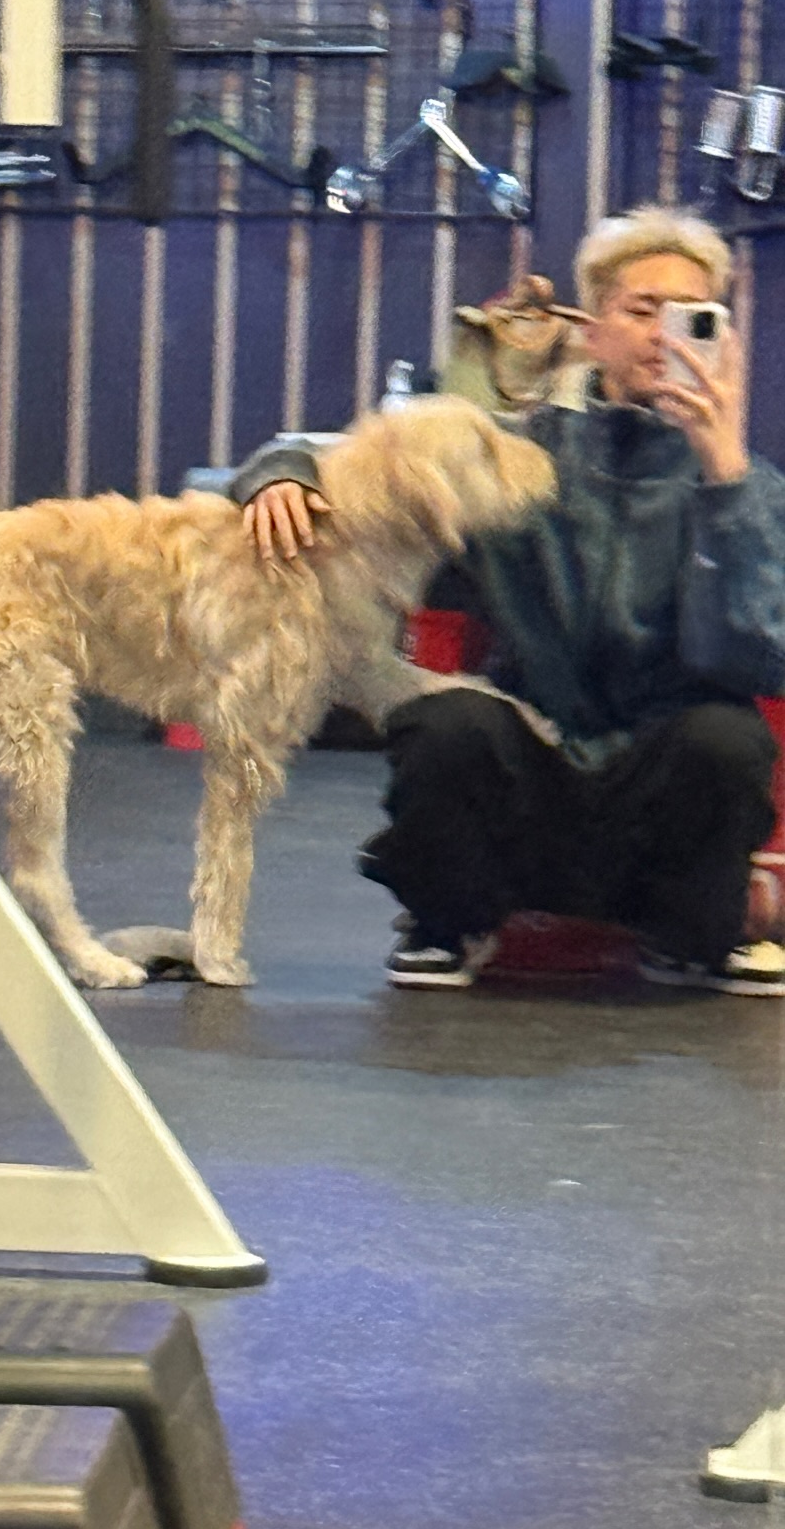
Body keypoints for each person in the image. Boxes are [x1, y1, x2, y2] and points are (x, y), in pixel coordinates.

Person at [230, 206, 785, 995]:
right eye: (642, 310)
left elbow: (762, 656)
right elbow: (341, 452)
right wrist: (278, 474)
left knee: (726, 737)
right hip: (530, 777)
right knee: (447, 721)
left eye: (692, 317)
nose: (664, 336)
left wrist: (724, 475)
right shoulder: (515, 453)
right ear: (593, 330)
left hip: (658, 802)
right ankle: (447, 923)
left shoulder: (750, 488)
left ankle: (689, 935)